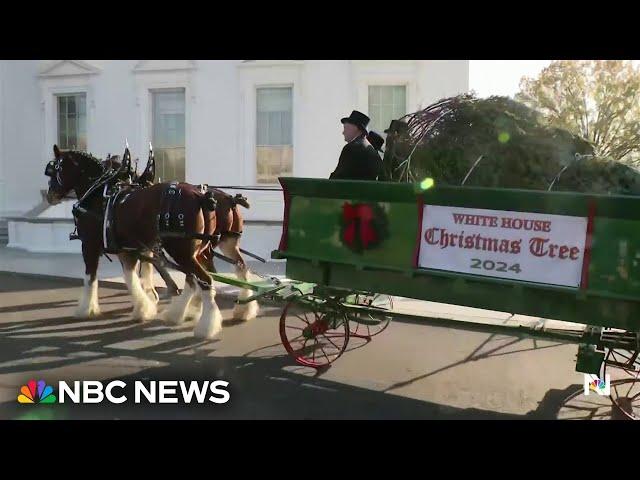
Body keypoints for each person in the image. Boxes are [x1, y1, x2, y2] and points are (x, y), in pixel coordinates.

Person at [329, 110, 383, 180]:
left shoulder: (352, 148)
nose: (343, 132)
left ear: (355, 128)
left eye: (346, 128)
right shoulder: (369, 148)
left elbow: (337, 177)